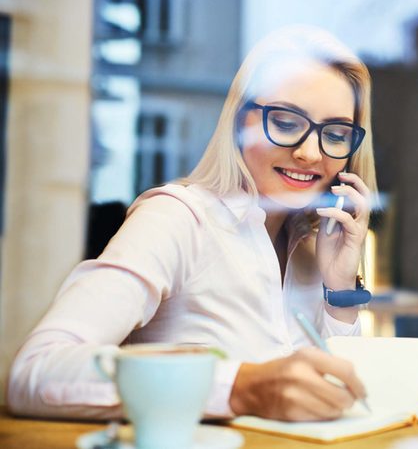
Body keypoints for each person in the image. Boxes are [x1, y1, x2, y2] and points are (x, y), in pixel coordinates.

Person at [7, 25, 378, 422]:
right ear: (240, 123)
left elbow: (343, 401)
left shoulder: (313, 247)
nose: (308, 153)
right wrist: (238, 388)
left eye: (336, 134)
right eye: (286, 123)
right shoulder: (178, 219)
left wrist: (339, 293)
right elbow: (36, 371)